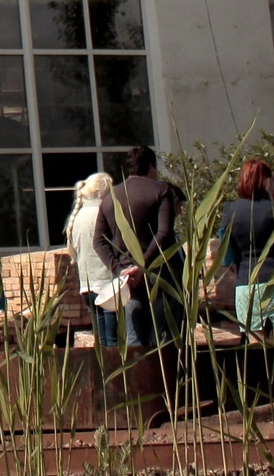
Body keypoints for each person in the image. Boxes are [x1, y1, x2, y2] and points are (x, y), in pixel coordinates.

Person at [95, 145, 185, 346]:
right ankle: (168, 378)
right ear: (151, 167)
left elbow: (99, 241)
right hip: (161, 274)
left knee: (135, 338)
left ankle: (137, 377)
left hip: (128, 279)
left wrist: (120, 270)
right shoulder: (162, 190)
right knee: (166, 338)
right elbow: (164, 233)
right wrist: (142, 266)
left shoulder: (110, 197)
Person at [216, 159, 274, 336]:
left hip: (246, 281)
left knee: (255, 345)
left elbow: (226, 256)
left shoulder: (230, 210)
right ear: (265, 180)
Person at [65, 171, 129, 347]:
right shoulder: (103, 214)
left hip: (87, 285)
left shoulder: (77, 217)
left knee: (101, 342)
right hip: (107, 283)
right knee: (114, 342)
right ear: (103, 193)